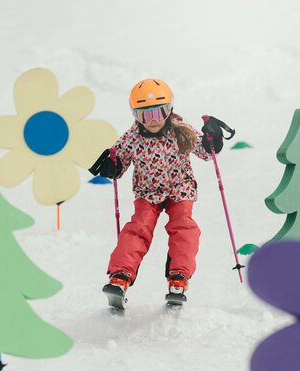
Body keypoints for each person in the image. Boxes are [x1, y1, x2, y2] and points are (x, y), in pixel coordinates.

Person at [89, 78, 230, 308]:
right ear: (135, 115)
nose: (153, 121)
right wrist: (112, 165)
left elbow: (205, 152)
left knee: (184, 226)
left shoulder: (181, 130)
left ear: (170, 109)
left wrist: (211, 140)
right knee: (138, 228)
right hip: (147, 192)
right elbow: (120, 161)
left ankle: (178, 277)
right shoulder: (132, 137)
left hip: (179, 189)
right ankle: (120, 277)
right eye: (145, 115)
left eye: (159, 113)